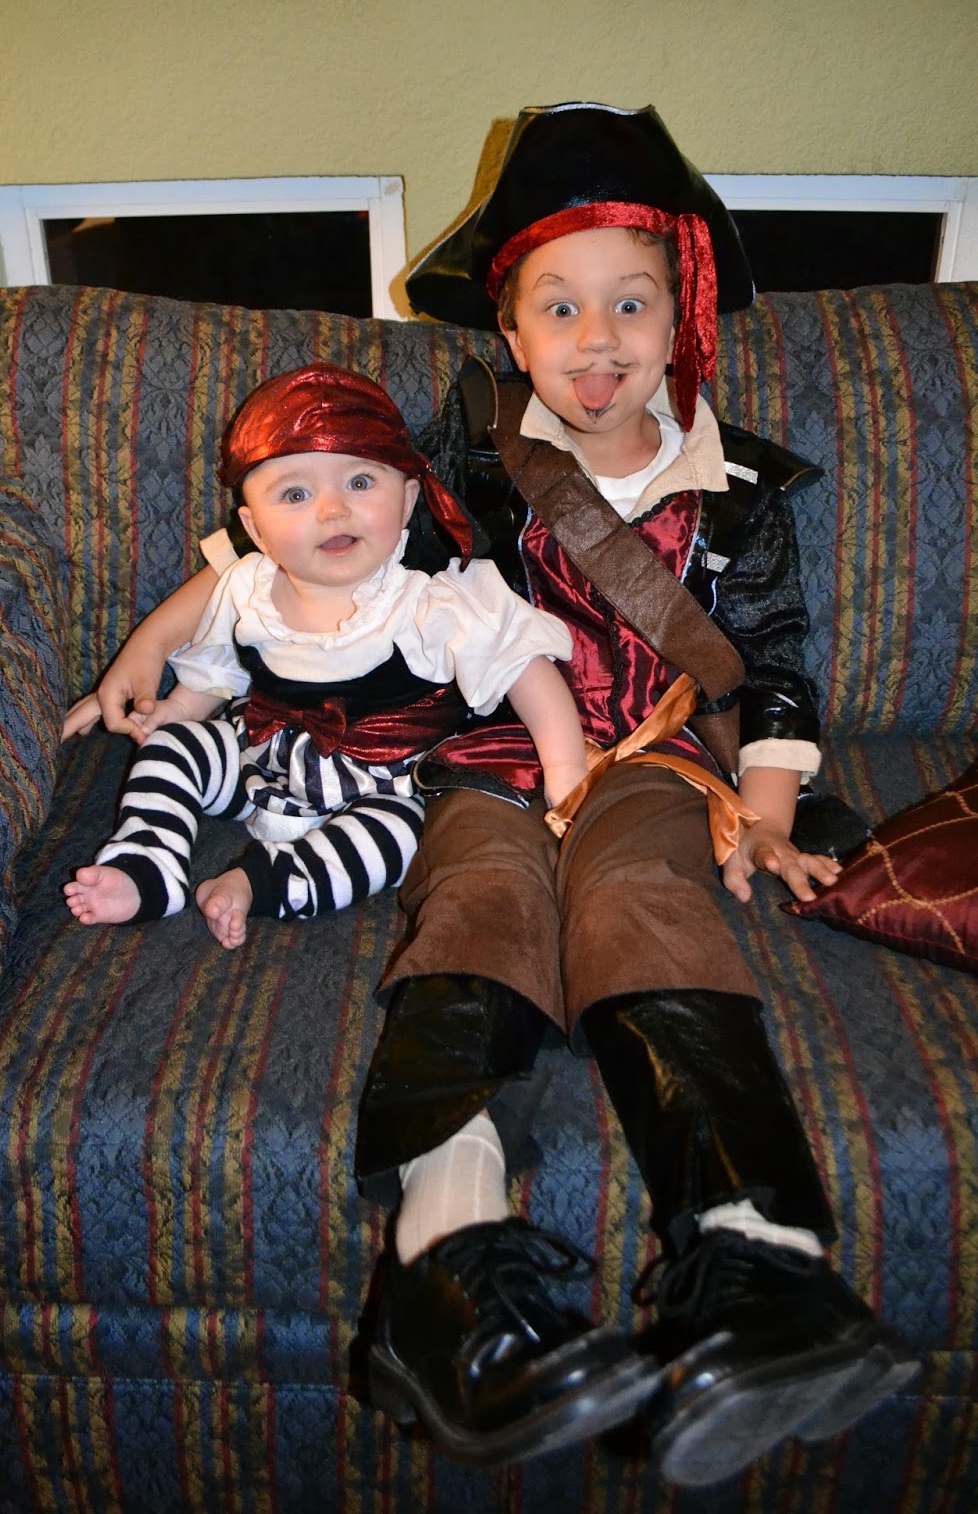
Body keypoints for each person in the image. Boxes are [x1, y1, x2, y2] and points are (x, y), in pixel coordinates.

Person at [347, 103, 917, 1482]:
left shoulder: (739, 489)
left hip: (653, 755)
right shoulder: (467, 455)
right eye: (559, 306)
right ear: (510, 327)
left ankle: (761, 1267)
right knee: (478, 902)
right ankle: (446, 1277)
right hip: (491, 745)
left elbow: (770, 658)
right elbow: (333, 546)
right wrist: (185, 651)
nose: (595, 339)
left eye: (630, 302)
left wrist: (766, 802)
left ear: (681, 317)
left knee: (642, 898)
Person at [64, 362, 586, 947]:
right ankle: (147, 864)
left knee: (401, 835)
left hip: (381, 785)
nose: (332, 509)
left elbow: (524, 668)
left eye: (360, 483)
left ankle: (262, 882)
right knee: (171, 748)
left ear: (408, 499)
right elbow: (213, 675)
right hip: (260, 759)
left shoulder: (430, 602)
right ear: (255, 529)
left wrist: (567, 777)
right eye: (295, 494)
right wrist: (170, 715)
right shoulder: (246, 589)